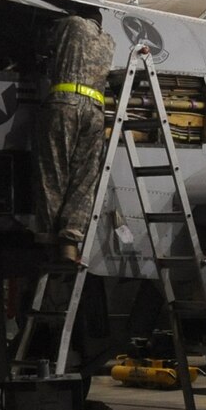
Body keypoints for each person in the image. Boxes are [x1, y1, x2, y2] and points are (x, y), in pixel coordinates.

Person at [32, 14, 116, 265]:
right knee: (84, 179)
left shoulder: (71, 25)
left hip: (65, 103)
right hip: (95, 110)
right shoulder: (109, 41)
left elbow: (41, 45)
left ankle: (49, 242)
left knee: (53, 172)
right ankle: (70, 242)